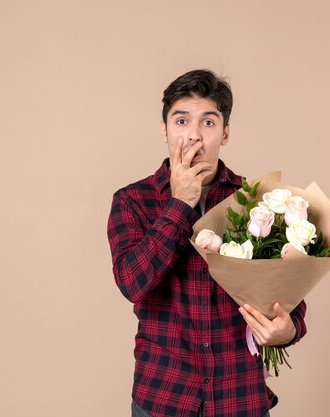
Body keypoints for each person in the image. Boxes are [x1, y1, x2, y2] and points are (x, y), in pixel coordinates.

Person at [107, 69, 307, 417]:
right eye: (181, 121)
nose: (194, 137)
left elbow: (288, 292)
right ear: (163, 129)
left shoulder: (255, 200)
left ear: (225, 133)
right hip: (164, 398)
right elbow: (132, 282)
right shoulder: (133, 200)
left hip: (239, 397)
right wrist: (180, 203)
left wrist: (288, 329)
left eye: (208, 123)